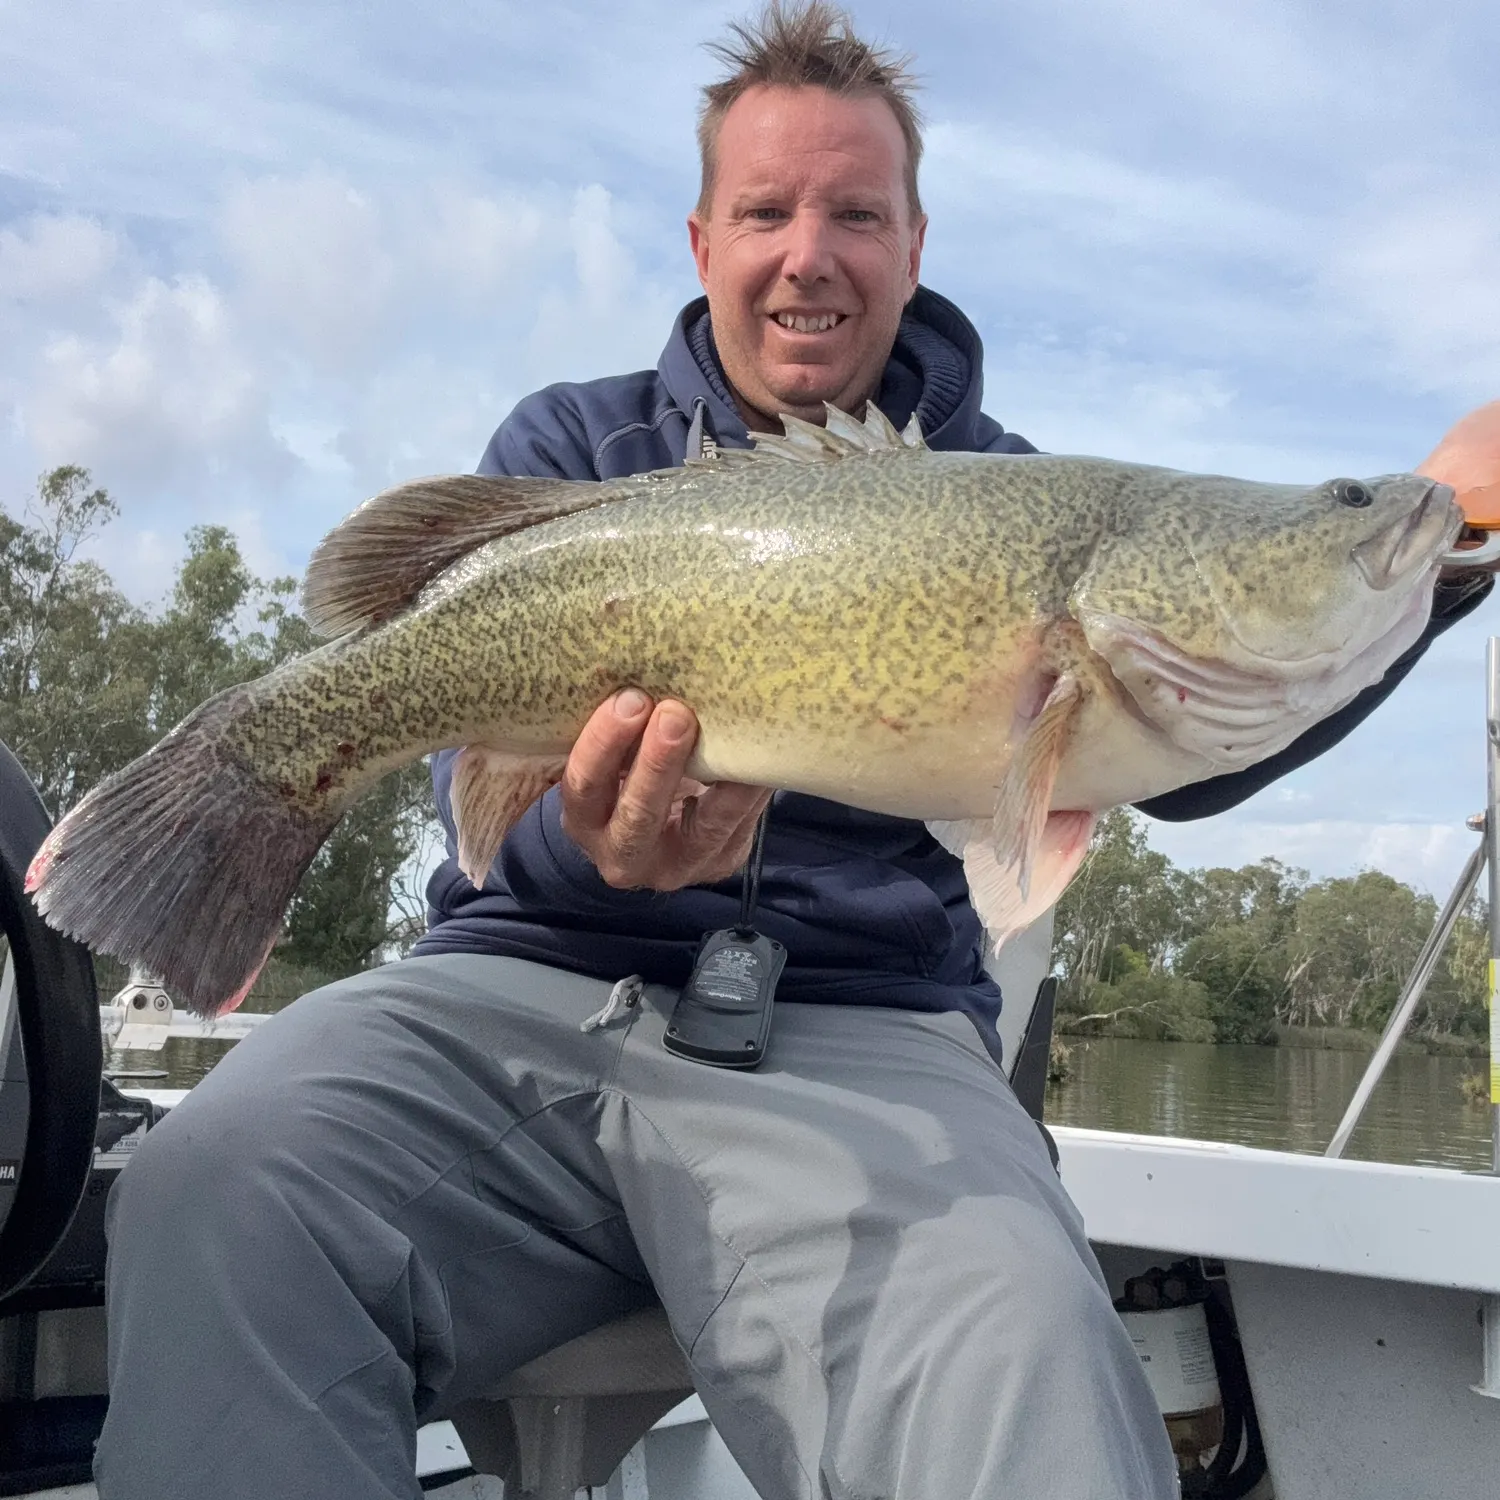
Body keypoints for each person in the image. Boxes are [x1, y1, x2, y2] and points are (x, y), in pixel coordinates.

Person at [94, 6, 1490, 1500]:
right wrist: (594, 845)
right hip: (517, 991)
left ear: (914, 243)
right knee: (215, 1184)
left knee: (1031, 1367)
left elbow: (1198, 753)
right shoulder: (570, 447)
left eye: (857, 215)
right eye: (767, 212)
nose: (809, 254)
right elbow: (477, 813)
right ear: (704, 242)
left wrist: (1446, 538)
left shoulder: (1016, 493)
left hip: (861, 1037)